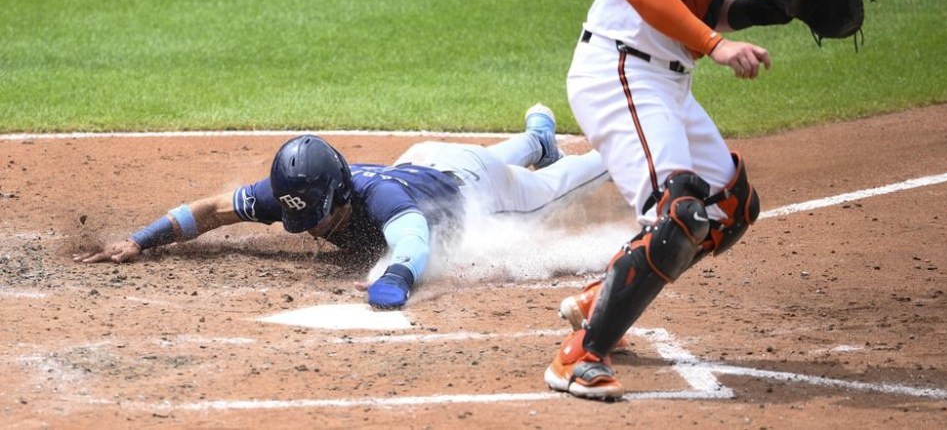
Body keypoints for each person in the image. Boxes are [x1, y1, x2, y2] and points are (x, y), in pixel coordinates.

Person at [545, 0, 792, 400]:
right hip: (621, 72)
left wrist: (770, 8)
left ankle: (603, 299)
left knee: (729, 206)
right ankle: (580, 357)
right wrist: (717, 45)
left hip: (664, 79)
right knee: (678, 213)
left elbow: (694, 3)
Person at [75, 104, 608, 309]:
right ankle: (536, 138)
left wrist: (394, 281)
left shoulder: (383, 199)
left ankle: (619, 149)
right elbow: (212, 211)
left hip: (474, 187)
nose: (308, 228)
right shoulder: (295, 190)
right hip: (428, 159)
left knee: (553, 187)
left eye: (316, 217)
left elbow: (414, 238)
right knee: (489, 156)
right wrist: (141, 239)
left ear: (339, 194)